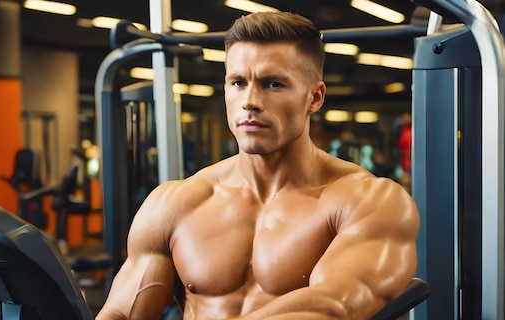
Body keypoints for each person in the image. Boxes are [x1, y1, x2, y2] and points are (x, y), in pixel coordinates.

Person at [96, 11, 419, 320]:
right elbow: (122, 313)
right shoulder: (174, 204)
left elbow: (334, 307)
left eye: (273, 84)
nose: (250, 100)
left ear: (315, 98)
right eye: (237, 82)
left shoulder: (367, 201)